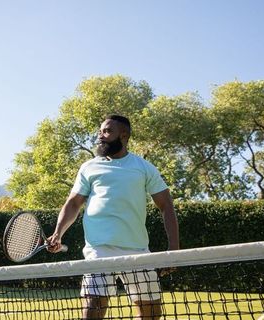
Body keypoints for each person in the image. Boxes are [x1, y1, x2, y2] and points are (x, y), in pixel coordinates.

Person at [47, 115, 179, 319]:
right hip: (98, 250)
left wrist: (174, 249)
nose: (101, 135)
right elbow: (73, 203)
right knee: (93, 308)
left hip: (137, 250)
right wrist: (57, 233)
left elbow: (166, 206)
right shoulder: (89, 167)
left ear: (124, 135)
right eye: (100, 131)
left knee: (151, 313)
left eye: (107, 131)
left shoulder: (144, 167)